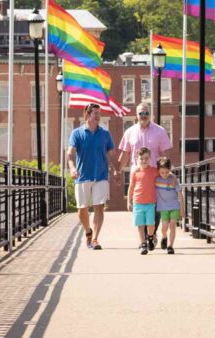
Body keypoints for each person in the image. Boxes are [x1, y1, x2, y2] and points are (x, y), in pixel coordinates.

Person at [117, 101, 172, 249]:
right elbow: (124, 154)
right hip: (138, 177)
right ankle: (145, 238)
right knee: (139, 208)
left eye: (146, 113)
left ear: (150, 114)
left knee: (156, 207)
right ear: (136, 115)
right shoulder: (129, 132)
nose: (144, 115)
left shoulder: (160, 131)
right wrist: (118, 171)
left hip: (155, 176)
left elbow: (165, 154)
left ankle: (151, 235)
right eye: (141, 113)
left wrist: (168, 173)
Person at [67, 103, 115, 250]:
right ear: (86, 114)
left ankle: (95, 239)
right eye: (95, 113)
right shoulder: (77, 133)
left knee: (99, 207)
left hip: (101, 175)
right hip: (82, 176)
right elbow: (70, 154)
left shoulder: (105, 134)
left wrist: (116, 170)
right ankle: (88, 231)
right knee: (82, 209)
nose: (98, 116)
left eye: (99, 113)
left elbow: (111, 155)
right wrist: (72, 168)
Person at [126, 147, 157, 255]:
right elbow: (131, 187)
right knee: (140, 224)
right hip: (137, 202)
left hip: (150, 203)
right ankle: (143, 244)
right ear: (137, 159)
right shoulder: (135, 172)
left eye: (146, 158)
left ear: (150, 158)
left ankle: (150, 237)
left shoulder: (154, 171)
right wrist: (129, 201)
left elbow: (164, 176)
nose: (144, 161)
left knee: (150, 224)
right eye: (141, 158)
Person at [155, 157, 184, 254]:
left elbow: (180, 194)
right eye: (162, 172)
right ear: (158, 171)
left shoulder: (173, 179)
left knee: (172, 226)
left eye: (167, 172)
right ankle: (164, 236)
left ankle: (170, 246)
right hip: (163, 207)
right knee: (164, 228)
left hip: (174, 206)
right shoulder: (156, 179)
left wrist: (182, 209)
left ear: (170, 170)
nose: (164, 175)